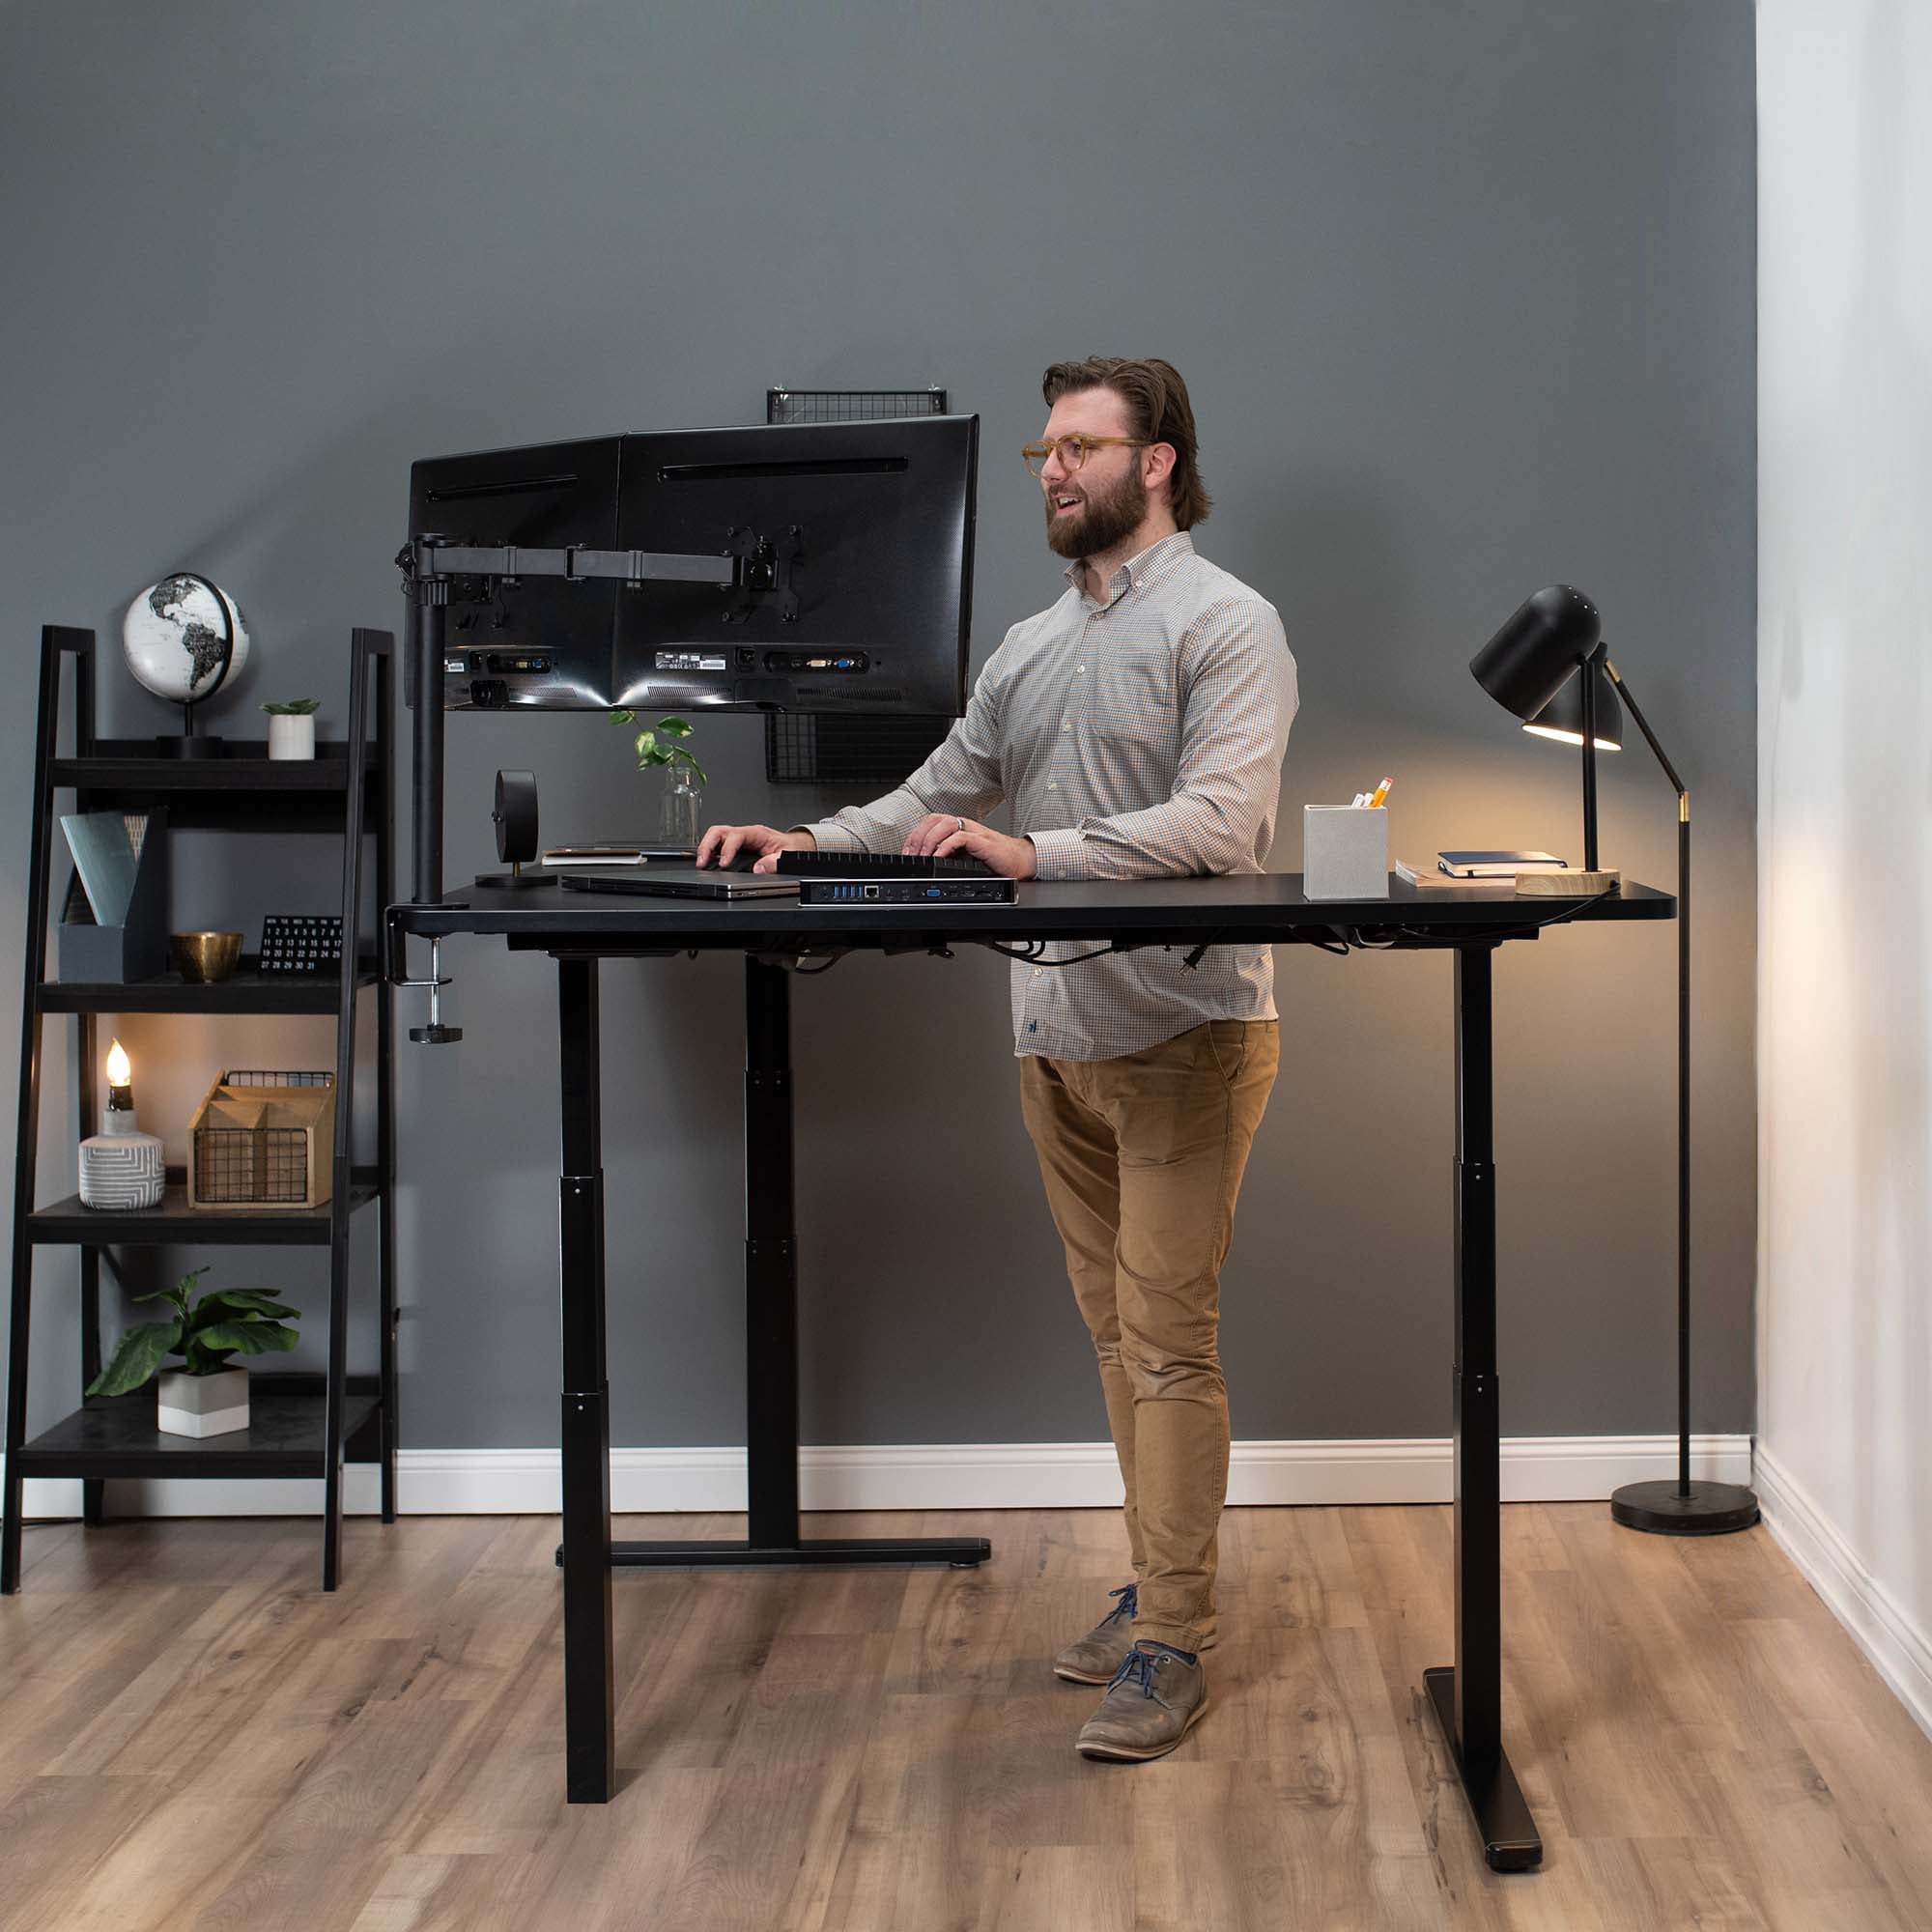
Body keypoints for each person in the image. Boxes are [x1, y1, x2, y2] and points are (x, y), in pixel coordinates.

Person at [697, 355, 1297, 1761]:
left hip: (1188, 1035)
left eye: (1080, 447)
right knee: (1117, 1338)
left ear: (1156, 462)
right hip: (1054, 1040)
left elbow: (1222, 823)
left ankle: (1175, 1636)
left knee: (1169, 1344)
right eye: (1045, 451)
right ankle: (1157, 1585)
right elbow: (937, 789)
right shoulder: (1029, 646)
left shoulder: (1229, 624)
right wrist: (809, 841)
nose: (1052, 471)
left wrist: (1033, 856)